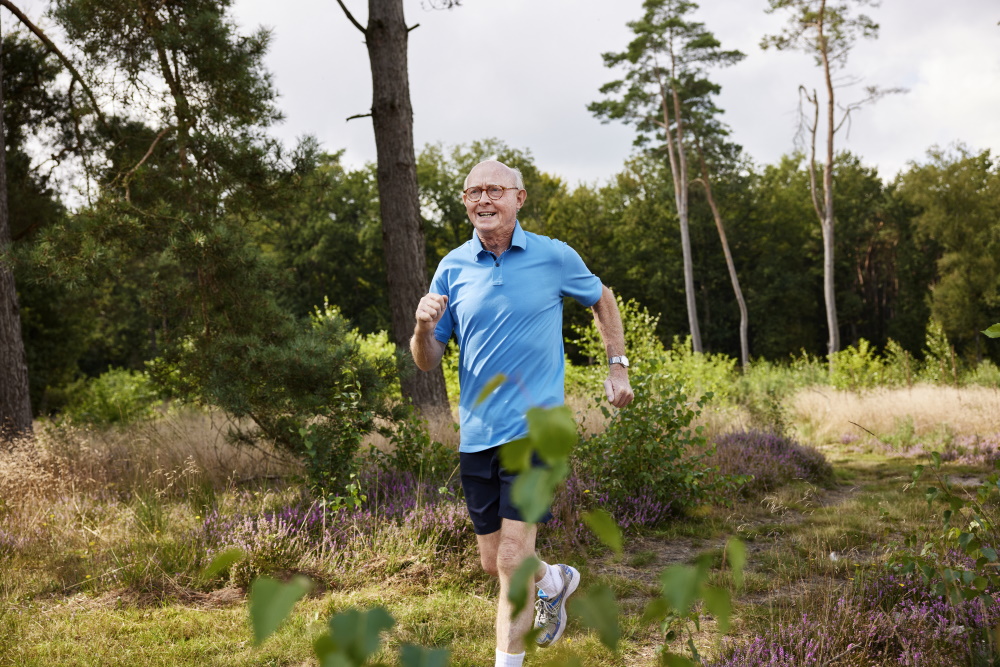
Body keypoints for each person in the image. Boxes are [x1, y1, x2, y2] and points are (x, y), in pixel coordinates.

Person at [410, 159, 633, 667]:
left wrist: (617, 367)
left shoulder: (553, 256)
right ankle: (554, 580)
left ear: (519, 198)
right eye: (473, 192)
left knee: (512, 556)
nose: (483, 200)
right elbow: (428, 362)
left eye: (494, 190)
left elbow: (603, 297)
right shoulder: (452, 266)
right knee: (495, 562)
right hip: (478, 434)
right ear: (465, 202)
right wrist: (423, 329)